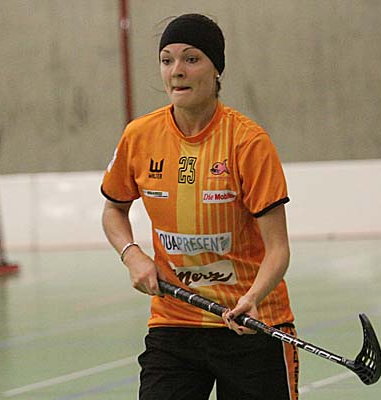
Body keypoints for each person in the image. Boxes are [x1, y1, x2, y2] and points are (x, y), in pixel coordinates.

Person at [101, 13, 298, 400]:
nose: (177, 71)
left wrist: (252, 298)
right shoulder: (139, 136)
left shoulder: (248, 142)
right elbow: (113, 211)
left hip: (251, 323)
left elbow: (278, 249)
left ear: (216, 69)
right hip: (175, 321)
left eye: (191, 59)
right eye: (167, 60)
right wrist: (131, 254)